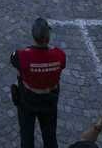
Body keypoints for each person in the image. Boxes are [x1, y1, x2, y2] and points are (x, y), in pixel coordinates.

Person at [11, 17, 65, 148]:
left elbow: (13, 60)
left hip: (28, 99)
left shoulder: (23, 56)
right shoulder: (59, 55)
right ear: (48, 37)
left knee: (27, 136)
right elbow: (62, 65)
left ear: (33, 36)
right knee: (50, 137)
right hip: (49, 99)